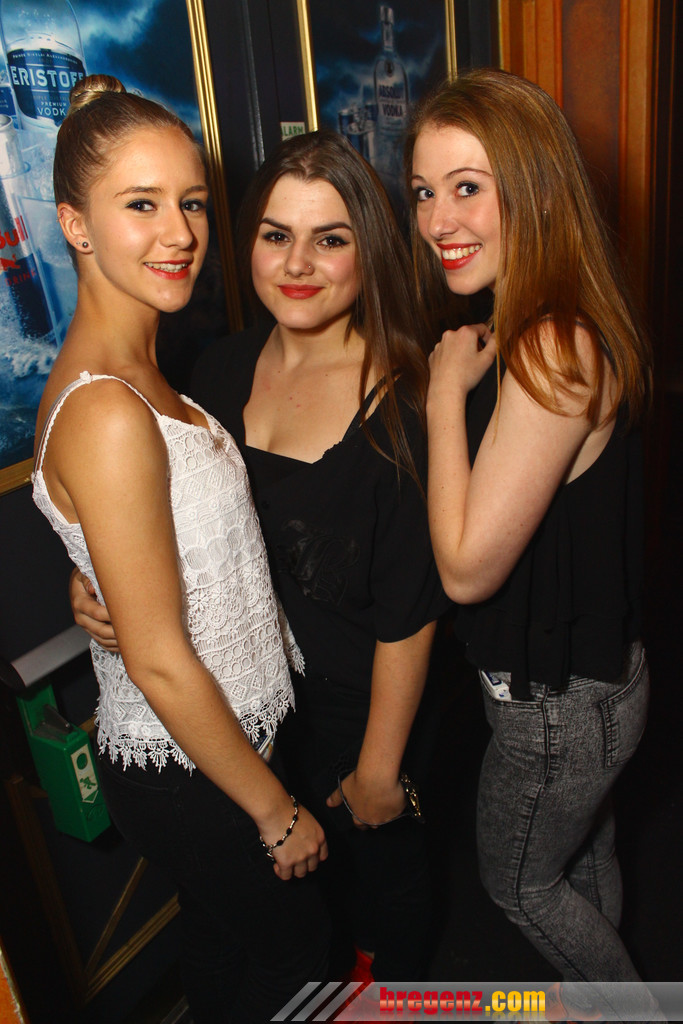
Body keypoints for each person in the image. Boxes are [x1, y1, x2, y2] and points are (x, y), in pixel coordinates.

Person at [71, 128, 451, 982]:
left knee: (382, 915)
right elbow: (163, 522)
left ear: (368, 250)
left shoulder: (408, 402)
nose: (297, 264)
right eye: (276, 235)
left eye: (330, 239)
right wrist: (90, 580)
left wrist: (379, 772)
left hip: (363, 722)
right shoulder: (216, 370)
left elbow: (411, 612)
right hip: (248, 721)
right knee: (275, 938)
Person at [33, 75, 329, 1024]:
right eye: (142, 205)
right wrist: (275, 813)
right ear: (75, 226)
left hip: (213, 751)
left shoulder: (139, 373)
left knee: (218, 946)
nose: (180, 233)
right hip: (193, 771)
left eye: (192, 203)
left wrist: (94, 574)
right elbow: (159, 657)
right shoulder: (107, 408)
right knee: (304, 963)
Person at [406, 68, 657, 1012]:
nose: (437, 220)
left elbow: (466, 570)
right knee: (581, 862)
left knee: (520, 884)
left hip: (556, 708)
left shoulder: (551, 341)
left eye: (467, 187)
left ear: (537, 189)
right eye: (423, 191)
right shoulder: (549, 320)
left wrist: (442, 397)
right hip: (594, 688)